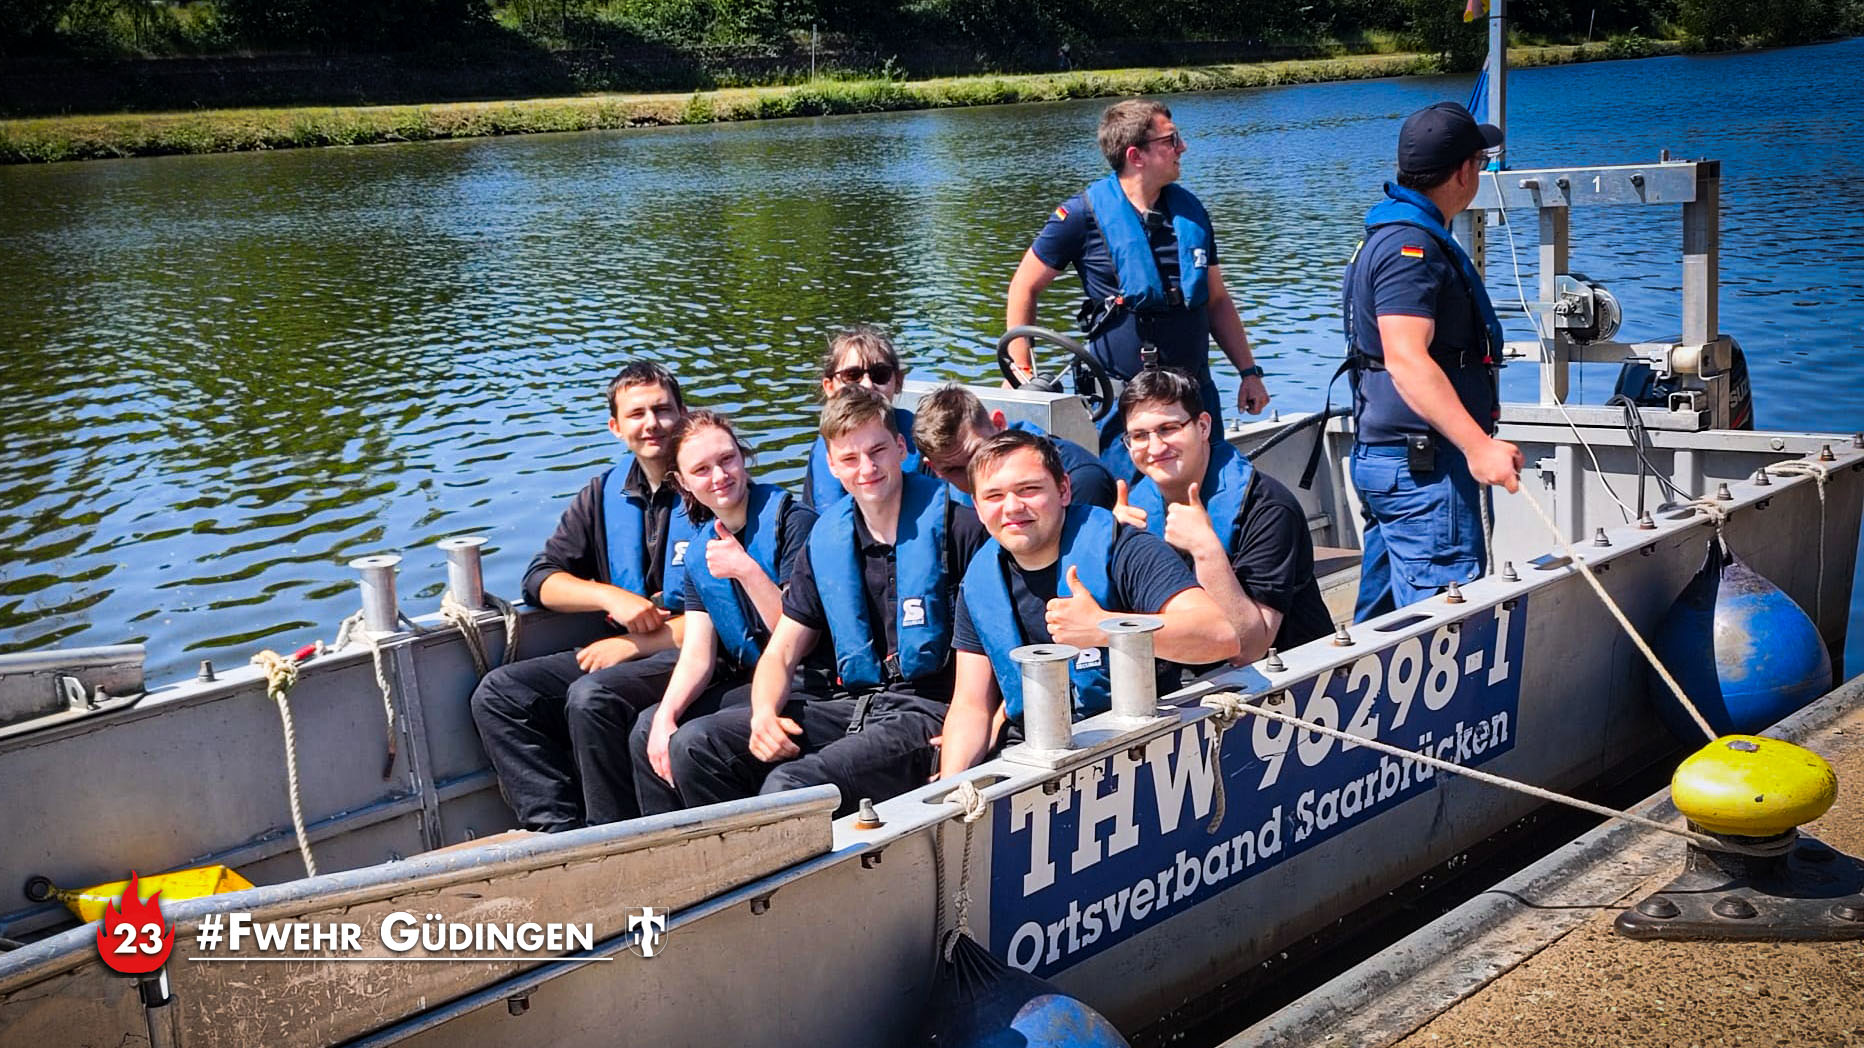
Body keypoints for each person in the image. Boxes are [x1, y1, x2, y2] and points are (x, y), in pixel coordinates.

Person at [645, 386, 990, 815]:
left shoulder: (961, 530)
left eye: (877, 451)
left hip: (925, 713)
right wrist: (764, 714)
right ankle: (737, 855)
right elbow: (781, 652)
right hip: (849, 704)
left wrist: (975, 739)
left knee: (790, 786)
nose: (867, 468)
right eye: (850, 458)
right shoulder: (827, 541)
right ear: (832, 464)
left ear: (901, 448)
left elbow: (986, 658)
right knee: (696, 745)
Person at [469, 362, 692, 832]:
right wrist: (610, 597)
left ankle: (613, 834)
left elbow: (734, 615)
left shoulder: (709, 484)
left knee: (591, 696)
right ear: (616, 428)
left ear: (683, 414)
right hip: (625, 649)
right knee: (500, 695)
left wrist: (632, 645)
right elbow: (540, 580)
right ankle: (559, 833)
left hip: (697, 654)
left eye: (662, 410)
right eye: (636, 414)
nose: (651, 424)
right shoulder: (602, 495)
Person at [938, 429, 1239, 776]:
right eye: (994, 496)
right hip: (1033, 752)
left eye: (1029, 489)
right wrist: (951, 788)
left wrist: (1104, 628)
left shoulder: (1126, 550)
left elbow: (1220, 635)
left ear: (1064, 490)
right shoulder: (979, 581)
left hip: (1135, 745)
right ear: (977, 508)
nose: (1012, 507)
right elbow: (971, 705)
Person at [1004, 97, 1271, 474]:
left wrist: (1249, 373)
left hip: (1194, 396)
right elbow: (1023, 286)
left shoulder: (1191, 213)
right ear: (1136, 155)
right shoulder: (1079, 216)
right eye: (1171, 139)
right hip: (1125, 402)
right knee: (1129, 500)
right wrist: (1021, 371)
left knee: (1211, 489)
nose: (1182, 147)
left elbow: (1216, 301)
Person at [1341, 101, 1523, 621]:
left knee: (1380, 626)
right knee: (1441, 623)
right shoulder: (1410, 250)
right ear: (1464, 172)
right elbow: (1405, 358)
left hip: (1393, 462)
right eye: (1480, 163)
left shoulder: (1390, 234)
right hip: (1422, 472)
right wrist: (1478, 446)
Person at [623, 411, 819, 817]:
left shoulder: (794, 524)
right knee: (648, 729)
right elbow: (697, 655)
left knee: (694, 742)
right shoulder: (702, 549)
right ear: (682, 482)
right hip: (756, 681)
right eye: (701, 469)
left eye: (727, 460)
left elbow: (797, 636)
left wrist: (746, 570)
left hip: (811, 681)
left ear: (743, 458)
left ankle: (733, 841)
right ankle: (668, 841)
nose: (719, 476)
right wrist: (666, 715)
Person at [1111, 368, 1332, 663]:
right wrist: (1118, 547)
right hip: (1182, 670)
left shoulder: (1268, 509)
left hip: (1283, 674)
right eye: (1139, 435)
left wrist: (1205, 550)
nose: (1155, 447)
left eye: (1169, 428)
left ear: (1203, 427)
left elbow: (1249, 649)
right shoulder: (1132, 512)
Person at [910, 383, 1116, 509]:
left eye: (976, 456)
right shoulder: (929, 490)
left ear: (999, 424)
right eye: (954, 470)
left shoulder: (1083, 479)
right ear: (935, 469)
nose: (973, 475)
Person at [803, 325, 922, 509]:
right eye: (852, 376)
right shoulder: (821, 452)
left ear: (898, 381)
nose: (867, 384)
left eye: (880, 375)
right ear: (829, 387)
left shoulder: (924, 440)